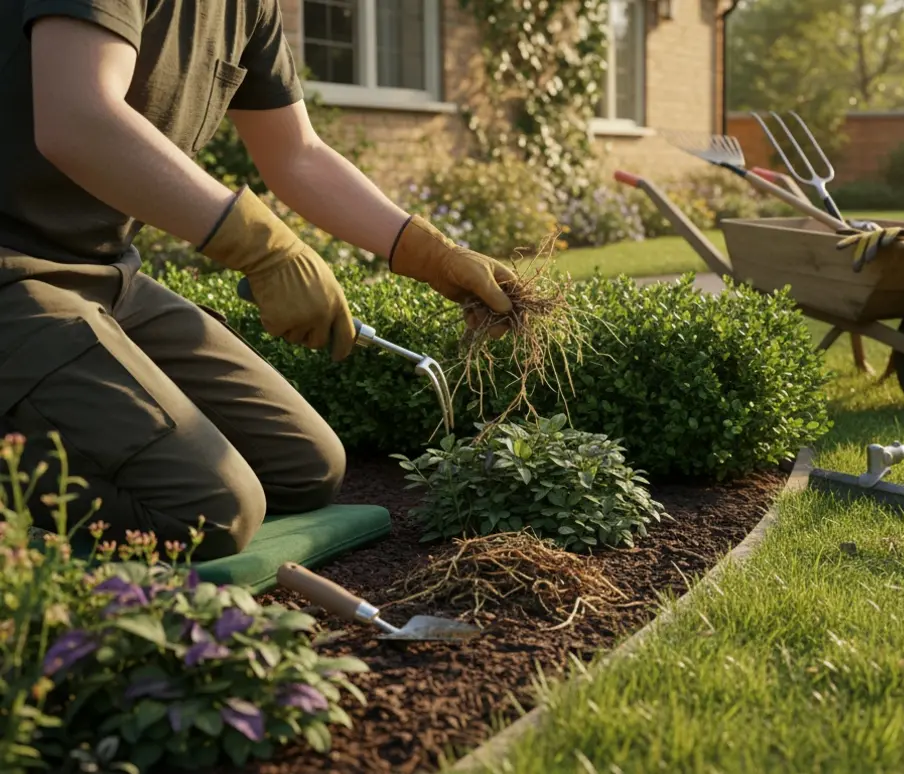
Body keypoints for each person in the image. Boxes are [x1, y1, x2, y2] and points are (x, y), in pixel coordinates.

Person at [0, 1, 518, 559]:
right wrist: (264, 250)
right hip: (11, 272)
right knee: (210, 511)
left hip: (106, 275)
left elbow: (297, 153)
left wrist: (433, 255)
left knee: (303, 468)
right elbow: (78, 118)